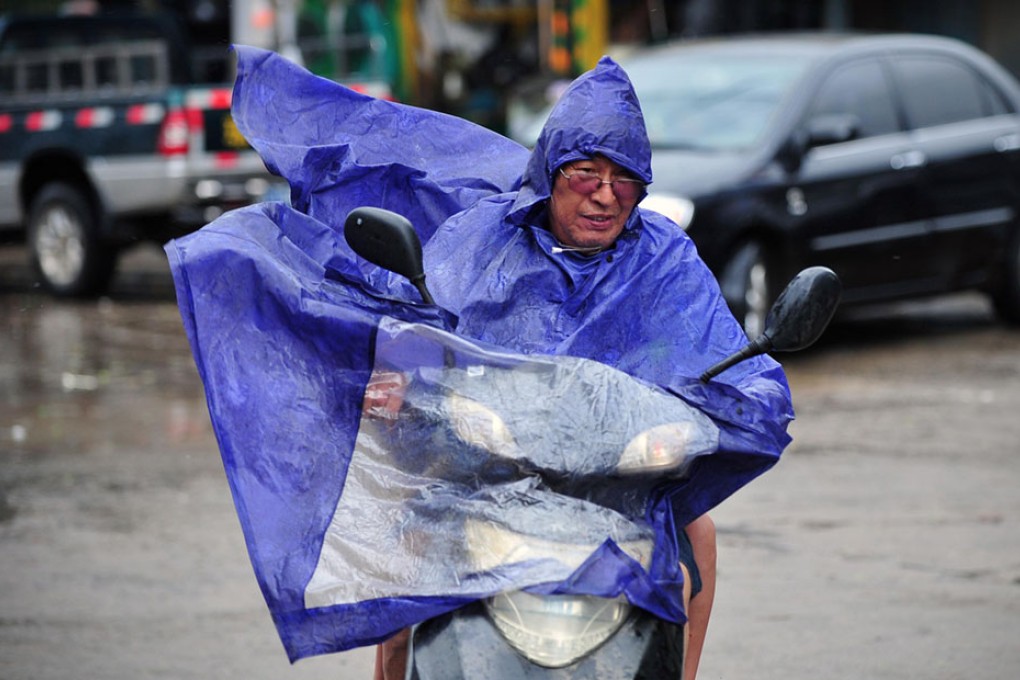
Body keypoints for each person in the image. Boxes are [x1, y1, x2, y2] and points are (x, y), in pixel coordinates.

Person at [368, 56, 788, 680]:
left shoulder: (664, 257)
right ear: (550, 175)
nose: (603, 192)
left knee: (696, 537)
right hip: (486, 467)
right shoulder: (480, 240)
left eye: (623, 178)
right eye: (586, 172)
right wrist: (397, 380)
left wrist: (744, 394)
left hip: (616, 475)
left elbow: (713, 346)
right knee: (407, 568)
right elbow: (412, 319)